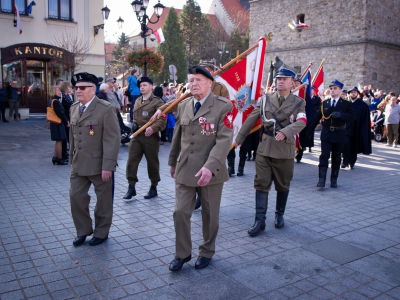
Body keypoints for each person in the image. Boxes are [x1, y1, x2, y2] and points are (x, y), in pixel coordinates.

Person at [168, 66, 233, 271]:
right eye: (191, 80)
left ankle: (206, 251)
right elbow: (178, 136)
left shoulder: (223, 106)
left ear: (210, 83)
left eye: (198, 80)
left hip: (210, 171)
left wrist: (209, 166)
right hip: (185, 168)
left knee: (210, 214)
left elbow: (224, 141)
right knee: (180, 212)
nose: (193, 84)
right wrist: (172, 161)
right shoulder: (185, 105)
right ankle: (182, 253)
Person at [233, 68, 307, 237]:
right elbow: (251, 118)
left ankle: (279, 214)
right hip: (265, 149)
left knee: (283, 184)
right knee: (261, 183)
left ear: (292, 82)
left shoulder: (298, 102)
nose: (280, 81)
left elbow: (302, 121)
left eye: (284, 79)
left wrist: (287, 131)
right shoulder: (265, 99)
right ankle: (260, 221)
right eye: (278, 78)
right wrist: (240, 138)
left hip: (285, 150)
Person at [69, 72, 120, 246]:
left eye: (82, 88)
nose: (78, 91)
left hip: (100, 164)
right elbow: (73, 137)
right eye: (76, 88)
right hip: (79, 163)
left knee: (103, 201)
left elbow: (112, 139)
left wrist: (108, 165)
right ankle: (82, 230)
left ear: (93, 89)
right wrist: (71, 160)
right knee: (76, 197)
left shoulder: (105, 109)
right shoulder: (74, 107)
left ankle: (101, 232)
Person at [123, 77, 167, 201]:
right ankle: (131, 186)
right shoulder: (137, 100)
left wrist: (153, 128)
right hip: (137, 135)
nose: (142, 87)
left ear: (151, 86)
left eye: (145, 85)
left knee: (152, 163)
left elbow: (162, 120)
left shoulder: (158, 102)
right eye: (141, 85)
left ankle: (154, 186)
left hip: (150, 137)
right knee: (132, 161)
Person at [312, 80, 357, 188]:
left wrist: (342, 115)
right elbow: (316, 118)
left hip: (339, 133)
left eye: (335, 88)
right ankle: (321, 179)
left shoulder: (346, 103)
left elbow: (353, 117)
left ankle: (334, 179)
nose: (332, 90)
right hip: (326, 133)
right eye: (331, 88)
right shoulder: (325, 103)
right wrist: (309, 130)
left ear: (340, 90)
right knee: (324, 156)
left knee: (336, 157)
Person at [342, 87, 372, 169]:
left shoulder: (363, 105)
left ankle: (352, 162)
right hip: (347, 128)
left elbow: (365, 119)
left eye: (355, 92)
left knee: (354, 146)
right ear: (349, 94)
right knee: (346, 144)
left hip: (357, 129)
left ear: (357, 93)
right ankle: (345, 161)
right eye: (352, 92)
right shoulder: (346, 104)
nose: (353, 94)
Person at [49, 86, 69, 165]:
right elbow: (60, 113)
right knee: (60, 140)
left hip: (55, 123)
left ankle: (55, 157)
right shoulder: (56, 101)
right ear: (53, 91)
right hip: (58, 123)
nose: (59, 92)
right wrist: (66, 121)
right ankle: (59, 158)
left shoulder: (52, 100)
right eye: (57, 90)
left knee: (58, 141)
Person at [60, 81, 75, 162]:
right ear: (66, 87)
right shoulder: (62, 95)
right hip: (64, 118)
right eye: (69, 87)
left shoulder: (69, 95)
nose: (71, 88)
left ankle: (71, 153)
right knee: (65, 137)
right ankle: (64, 154)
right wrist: (66, 120)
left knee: (70, 136)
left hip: (70, 117)